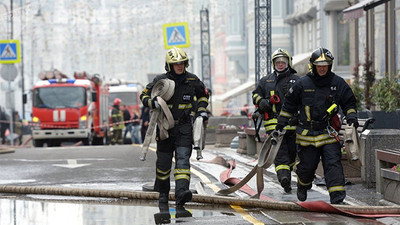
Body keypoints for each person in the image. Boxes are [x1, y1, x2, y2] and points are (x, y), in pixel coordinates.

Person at [274, 47, 358, 204]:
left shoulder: (337, 83)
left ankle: (337, 199)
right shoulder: (302, 83)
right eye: (319, 65)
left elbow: (349, 102)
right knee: (306, 168)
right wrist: (281, 124)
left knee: (333, 165)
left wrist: (351, 115)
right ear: (313, 65)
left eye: (325, 65)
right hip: (307, 135)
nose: (322, 68)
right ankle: (302, 185)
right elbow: (288, 106)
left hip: (328, 133)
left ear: (330, 65)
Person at [140, 47, 209, 217]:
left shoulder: (193, 80)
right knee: (163, 165)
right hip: (164, 127)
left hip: (184, 127)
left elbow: (203, 96)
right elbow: (143, 96)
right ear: (169, 65)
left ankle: (181, 197)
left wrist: (201, 110)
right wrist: (152, 103)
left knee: (183, 163)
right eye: (176, 63)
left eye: (182, 63)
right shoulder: (161, 81)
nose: (179, 66)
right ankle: (163, 195)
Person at [252, 48, 300, 193]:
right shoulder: (266, 81)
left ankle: (287, 171)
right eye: (277, 62)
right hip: (273, 123)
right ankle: (284, 178)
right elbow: (255, 95)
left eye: (283, 62)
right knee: (280, 152)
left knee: (292, 152)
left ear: (288, 63)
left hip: (292, 124)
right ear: (273, 63)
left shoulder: (297, 80)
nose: (280, 64)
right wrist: (261, 102)